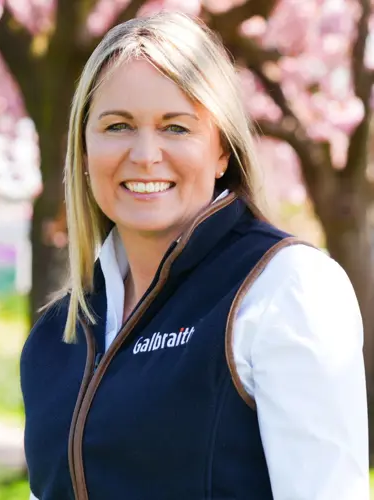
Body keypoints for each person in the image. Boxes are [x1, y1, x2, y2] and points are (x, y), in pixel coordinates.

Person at [21, 11, 369, 500]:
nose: (145, 155)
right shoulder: (57, 334)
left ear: (222, 150)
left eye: (176, 128)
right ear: (84, 149)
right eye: (118, 126)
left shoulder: (285, 288)